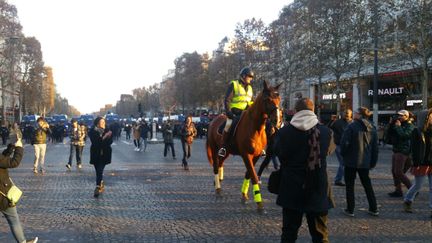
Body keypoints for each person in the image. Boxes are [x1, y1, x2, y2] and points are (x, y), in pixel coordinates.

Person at [275, 98, 335, 243]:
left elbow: (279, 153)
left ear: (296, 111)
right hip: (318, 188)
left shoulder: (284, 133)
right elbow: (328, 152)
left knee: (289, 234)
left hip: (292, 188)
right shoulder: (326, 132)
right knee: (320, 235)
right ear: (313, 111)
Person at [340, 107, 379, 217]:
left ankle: (350, 209)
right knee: (367, 185)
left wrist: (343, 154)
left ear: (360, 115)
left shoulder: (352, 126)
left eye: (356, 112)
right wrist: (373, 162)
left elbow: (344, 143)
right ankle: (373, 208)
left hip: (351, 161)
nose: (354, 114)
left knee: (350, 186)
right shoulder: (372, 127)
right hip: (365, 161)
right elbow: (375, 148)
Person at [0, 134, 38, 243]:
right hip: (3, 195)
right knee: (13, 220)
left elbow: (2, 160)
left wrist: (10, 147)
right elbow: (13, 162)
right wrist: (19, 148)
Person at [218, 67, 255, 157]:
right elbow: (227, 99)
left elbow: (251, 101)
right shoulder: (234, 84)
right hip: (235, 111)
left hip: (247, 112)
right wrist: (228, 112)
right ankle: (223, 147)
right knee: (229, 125)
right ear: (243, 76)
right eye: (249, 76)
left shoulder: (250, 88)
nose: (250, 79)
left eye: (251, 77)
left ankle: (260, 146)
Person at [403, 109, 432, 216]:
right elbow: (414, 150)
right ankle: (408, 200)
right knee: (418, 186)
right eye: (430, 116)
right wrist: (416, 163)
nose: (431, 118)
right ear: (425, 118)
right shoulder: (417, 131)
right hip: (422, 163)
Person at [388, 109, 415, 197]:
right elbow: (388, 135)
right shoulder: (397, 124)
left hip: (404, 152)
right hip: (396, 150)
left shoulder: (410, 125)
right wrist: (391, 124)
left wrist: (398, 127)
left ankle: (412, 190)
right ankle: (398, 190)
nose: (399, 117)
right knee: (394, 172)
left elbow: (405, 136)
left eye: (401, 115)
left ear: (406, 117)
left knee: (398, 172)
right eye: (398, 115)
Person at [89, 117, 113, 197]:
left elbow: (110, 142)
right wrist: (105, 136)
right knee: (98, 171)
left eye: (104, 122)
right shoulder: (92, 131)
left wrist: (107, 137)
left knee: (100, 170)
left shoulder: (107, 130)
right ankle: (100, 182)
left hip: (105, 154)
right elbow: (96, 142)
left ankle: (97, 186)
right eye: (101, 122)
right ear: (97, 123)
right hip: (96, 153)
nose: (103, 123)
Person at [330, 109, 353, 186]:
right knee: (343, 162)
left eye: (348, 113)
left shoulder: (352, 123)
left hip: (349, 146)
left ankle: (346, 178)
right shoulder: (337, 122)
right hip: (339, 145)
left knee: (347, 163)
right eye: (345, 113)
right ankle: (338, 180)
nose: (346, 114)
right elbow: (329, 128)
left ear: (350, 114)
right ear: (342, 114)